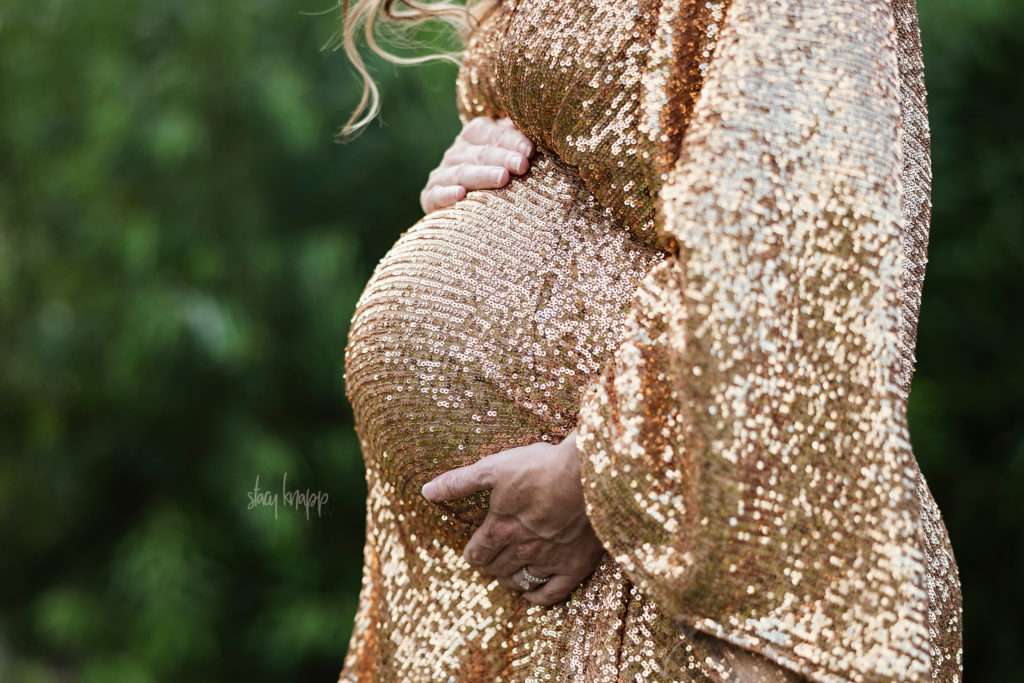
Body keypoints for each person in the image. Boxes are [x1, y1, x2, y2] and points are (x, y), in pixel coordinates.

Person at [338, 0, 964, 680]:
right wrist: (477, 174)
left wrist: (597, 468)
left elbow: (806, 225)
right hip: (542, 596)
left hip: (710, 558)